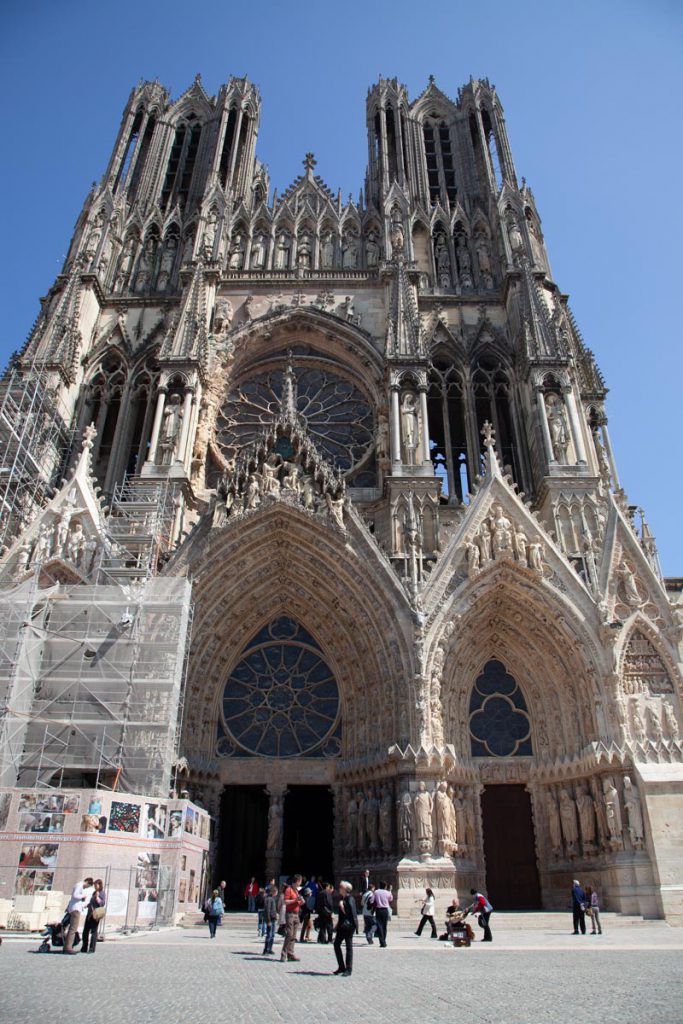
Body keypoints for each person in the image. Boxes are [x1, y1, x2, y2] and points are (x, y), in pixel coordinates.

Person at [333, 881, 358, 976]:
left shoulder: (350, 898)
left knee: (348, 947)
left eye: (340, 887)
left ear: (345, 889)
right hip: (342, 926)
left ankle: (348, 968)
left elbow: (351, 913)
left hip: (348, 926)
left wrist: (342, 906)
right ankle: (341, 967)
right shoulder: (343, 898)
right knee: (336, 944)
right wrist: (337, 925)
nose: (339, 888)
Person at [63, 876, 94, 953]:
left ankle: (67, 946)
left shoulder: (78, 885)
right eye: (87, 886)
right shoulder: (80, 885)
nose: (86, 888)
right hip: (75, 909)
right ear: (87, 882)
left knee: (72, 928)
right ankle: (68, 948)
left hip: (74, 908)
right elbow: (75, 895)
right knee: (73, 929)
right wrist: (83, 896)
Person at [280, 875, 303, 962]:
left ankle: (290, 954)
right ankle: (283, 954)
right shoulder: (288, 890)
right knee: (289, 934)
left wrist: (301, 901)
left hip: (296, 914)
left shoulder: (296, 891)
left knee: (293, 936)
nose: (300, 883)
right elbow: (285, 901)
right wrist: (295, 900)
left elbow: (298, 902)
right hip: (290, 914)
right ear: (297, 881)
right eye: (300, 881)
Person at [80, 878, 106, 953]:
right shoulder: (94, 892)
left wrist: (97, 897)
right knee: (85, 931)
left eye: (96, 885)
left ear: (100, 885)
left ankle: (92, 948)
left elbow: (102, 903)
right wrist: (87, 905)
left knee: (94, 931)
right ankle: (84, 947)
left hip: (95, 914)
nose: (95, 886)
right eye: (94, 885)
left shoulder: (102, 893)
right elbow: (92, 902)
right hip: (89, 913)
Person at [371, 880, 393, 947]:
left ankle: (382, 942)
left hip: (378, 910)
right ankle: (384, 940)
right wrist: (390, 891)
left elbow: (371, 900)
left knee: (379, 926)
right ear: (385, 886)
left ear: (379, 885)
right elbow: (391, 899)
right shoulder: (388, 892)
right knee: (384, 926)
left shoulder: (376, 892)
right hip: (385, 910)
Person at [262, 883, 278, 955]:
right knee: (269, 935)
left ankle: (270, 949)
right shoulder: (269, 899)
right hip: (270, 919)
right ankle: (266, 949)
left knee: (272, 935)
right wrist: (268, 921)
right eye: (276, 892)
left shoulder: (273, 899)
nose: (277, 893)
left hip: (273, 919)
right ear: (274, 892)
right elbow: (267, 910)